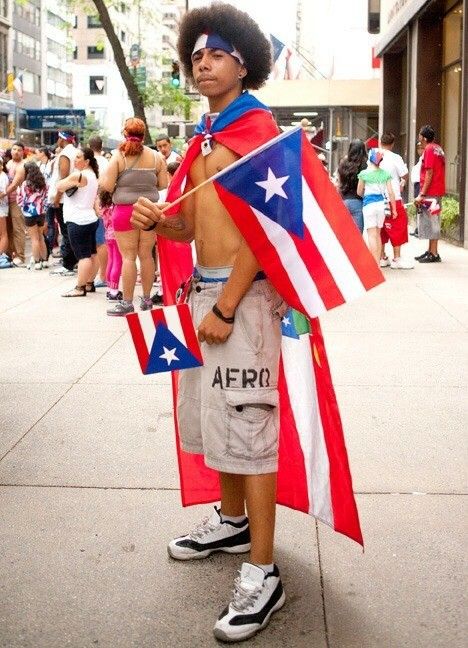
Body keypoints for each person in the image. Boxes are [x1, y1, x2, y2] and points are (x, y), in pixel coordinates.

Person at [132, 4, 287, 642]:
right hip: (204, 296)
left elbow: (267, 228)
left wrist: (227, 307)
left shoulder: (256, 131)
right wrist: (158, 221)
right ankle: (230, 520)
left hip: (241, 303)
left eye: (215, 53)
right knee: (212, 418)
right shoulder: (203, 139)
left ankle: (264, 571)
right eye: (195, 54)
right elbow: (193, 227)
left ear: (242, 62)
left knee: (250, 423)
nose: (202, 62)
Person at [100, 117, 168, 316]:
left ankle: (127, 302)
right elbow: (163, 184)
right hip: (149, 210)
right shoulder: (156, 157)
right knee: (146, 255)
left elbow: (106, 185)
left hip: (124, 212)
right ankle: (147, 300)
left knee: (128, 257)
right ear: (144, 135)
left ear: (124, 134)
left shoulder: (119, 157)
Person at [56, 148, 99, 297]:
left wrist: (64, 180)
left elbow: (59, 186)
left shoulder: (79, 175)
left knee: (83, 256)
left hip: (78, 220)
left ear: (86, 161)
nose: (75, 160)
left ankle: (80, 288)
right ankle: (89, 283)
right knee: (92, 253)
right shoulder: (92, 175)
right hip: (90, 218)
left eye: (78, 157)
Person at [378, 132, 414, 269]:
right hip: (393, 198)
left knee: (381, 227)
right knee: (398, 226)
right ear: (392, 144)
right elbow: (404, 174)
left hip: (377, 198)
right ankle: (396, 258)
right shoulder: (395, 158)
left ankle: (382, 257)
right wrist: (402, 182)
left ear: (380, 142)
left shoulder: (374, 156)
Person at [357, 148, 397, 262]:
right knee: (378, 233)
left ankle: (374, 264)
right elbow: (390, 192)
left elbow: (359, 192)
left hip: (369, 205)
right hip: (381, 205)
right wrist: (394, 210)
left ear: (370, 159)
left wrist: (366, 195)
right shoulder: (385, 174)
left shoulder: (364, 174)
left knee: (371, 234)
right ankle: (378, 263)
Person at [48, 131, 79, 276]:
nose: (57, 140)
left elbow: (63, 178)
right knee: (68, 231)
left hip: (62, 199)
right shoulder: (76, 151)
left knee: (66, 231)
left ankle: (68, 264)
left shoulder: (66, 154)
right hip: (70, 198)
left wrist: (56, 197)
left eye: (59, 138)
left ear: (62, 139)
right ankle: (71, 261)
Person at [414, 125, 445, 263]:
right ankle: (431, 251)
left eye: (420, 135)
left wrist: (422, 193)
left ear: (424, 137)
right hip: (437, 190)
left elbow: (429, 172)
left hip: (431, 192)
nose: (419, 138)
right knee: (433, 221)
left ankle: (433, 253)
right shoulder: (438, 148)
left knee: (432, 222)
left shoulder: (429, 149)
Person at [17, 162, 48, 270]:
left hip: (29, 213)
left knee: (34, 239)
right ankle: (45, 261)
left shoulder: (25, 184)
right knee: (41, 237)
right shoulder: (43, 182)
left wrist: (22, 208)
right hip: (41, 212)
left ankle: (37, 262)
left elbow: (21, 199)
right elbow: (46, 197)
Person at [89, 136, 110, 288]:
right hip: (103, 204)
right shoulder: (106, 162)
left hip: (97, 205)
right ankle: (102, 274)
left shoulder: (93, 163)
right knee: (102, 241)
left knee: (100, 241)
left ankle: (103, 275)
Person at [1, 142, 26, 266]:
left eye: (19, 150)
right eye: (14, 149)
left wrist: (2, 194)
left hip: (17, 201)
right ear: (11, 151)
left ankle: (20, 256)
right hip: (6, 202)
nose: (16, 152)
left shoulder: (22, 166)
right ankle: (10, 255)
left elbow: (15, 184)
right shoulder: (8, 164)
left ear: (23, 152)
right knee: (8, 229)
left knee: (18, 229)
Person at [337, 139, 368, 233]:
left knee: (344, 235)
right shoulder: (365, 165)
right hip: (358, 203)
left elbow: (339, 183)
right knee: (357, 237)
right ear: (363, 150)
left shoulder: (343, 163)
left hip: (343, 202)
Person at [99, 190, 123, 302]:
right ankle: (114, 292)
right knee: (118, 261)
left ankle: (110, 289)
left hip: (108, 234)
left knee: (111, 261)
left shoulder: (103, 205)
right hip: (117, 234)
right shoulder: (115, 205)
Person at [410, 141, 423, 236]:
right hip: (417, 184)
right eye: (418, 148)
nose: (419, 150)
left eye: (421, 148)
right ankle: (418, 228)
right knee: (417, 207)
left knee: (420, 207)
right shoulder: (420, 158)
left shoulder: (425, 158)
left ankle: (420, 229)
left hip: (421, 184)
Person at [0, 155, 11, 268]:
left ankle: (1, 256)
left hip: (1, 208)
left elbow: (2, 193)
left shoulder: (3, 177)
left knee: (3, 233)